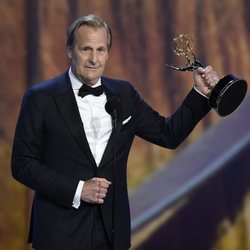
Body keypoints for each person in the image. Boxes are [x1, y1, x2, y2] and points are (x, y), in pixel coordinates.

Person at [11, 14, 219, 250]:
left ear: (108, 53)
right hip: (59, 234)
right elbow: (22, 164)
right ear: (70, 50)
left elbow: (167, 134)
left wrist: (200, 94)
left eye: (100, 50)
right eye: (85, 49)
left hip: (112, 235)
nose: (94, 59)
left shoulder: (124, 94)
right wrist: (79, 189)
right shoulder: (40, 98)